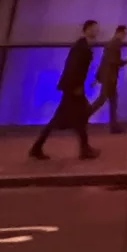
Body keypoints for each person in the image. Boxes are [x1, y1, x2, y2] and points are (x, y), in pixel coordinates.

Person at [30, 21, 100, 160]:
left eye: (96, 29)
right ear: (86, 30)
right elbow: (73, 68)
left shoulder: (82, 46)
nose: (95, 32)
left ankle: (37, 147)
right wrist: (75, 87)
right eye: (93, 29)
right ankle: (84, 150)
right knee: (81, 115)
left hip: (72, 88)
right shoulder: (81, 48)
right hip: (73, 88)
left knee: (72, 117)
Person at [101, 24, 127, 134]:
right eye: (124, 34)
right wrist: (124, 62)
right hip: (111, 77)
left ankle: (114, 126)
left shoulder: (111, 43)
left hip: (108, 76)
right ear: (121, 32)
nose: (124, 36)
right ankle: (114, 126)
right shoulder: (115, 44)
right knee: (107, 101)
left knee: (109, 100)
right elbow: (114, 61)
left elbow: (106, 61)